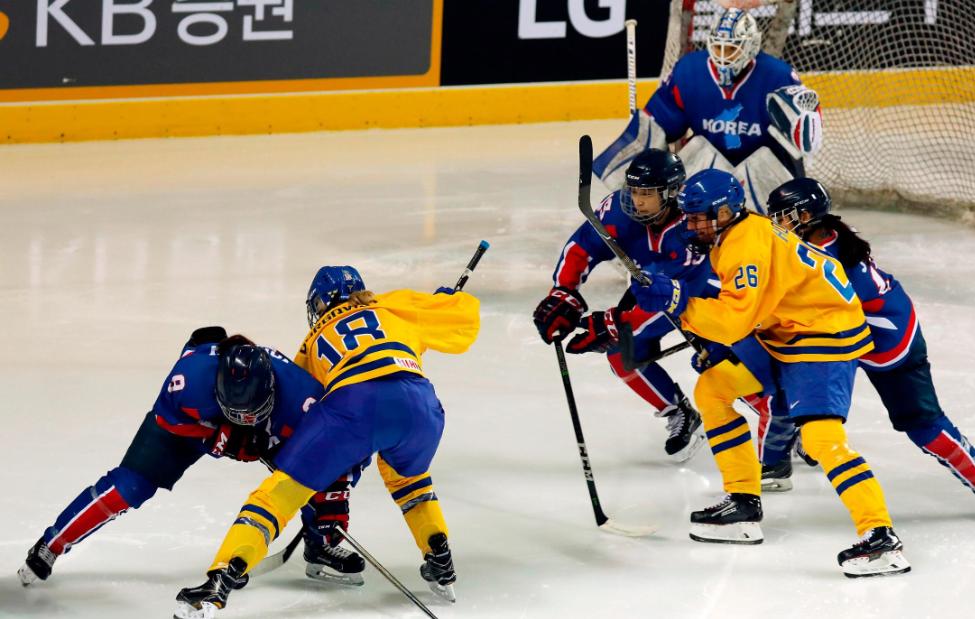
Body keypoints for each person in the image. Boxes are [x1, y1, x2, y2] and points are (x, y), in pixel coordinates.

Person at [631, 169, 910, 577]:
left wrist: (677, 302)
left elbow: (731, 324)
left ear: (725, 212)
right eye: (687, 217)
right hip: (787, 331)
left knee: (822, 438)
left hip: (823, 334)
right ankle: (743, 505)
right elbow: (751, 313)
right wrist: (682, 304)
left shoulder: (745, 245)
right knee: (713, 389)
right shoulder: (735, 234)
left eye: (698, 217)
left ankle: (882, 538)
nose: (690, 225)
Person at [174, 266, 480, 618]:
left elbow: (304, 409)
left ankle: (220, 581)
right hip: (421, 407)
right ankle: (439, 554)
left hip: (354, 406)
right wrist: (442, 302)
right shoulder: (395, 305)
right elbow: (464, 322)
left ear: (318, 304)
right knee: (409, 479)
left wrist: (317, 484)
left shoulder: (313, 338)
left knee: (279, 495)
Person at [759, 178, 975, 520]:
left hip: (888, 341)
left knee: (923, 425)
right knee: (781, 381)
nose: (777, 224)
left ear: (807, 216)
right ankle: (780, 458)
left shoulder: (822, 260)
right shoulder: (826, 234)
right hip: (839, 332)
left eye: (784, 217)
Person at [18, 327, 367, 588]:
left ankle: (322, 542)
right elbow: (166, 420)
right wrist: (218, 438)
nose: (246, 417)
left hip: (262, 428)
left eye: (253, 411)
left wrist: (335, 488)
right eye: (239, 412)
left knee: (314, 471)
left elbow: (338, 449)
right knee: (129, 487)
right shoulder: (189, 381)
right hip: (192, 425)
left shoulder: (301, 396)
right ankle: (52, 543)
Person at [533, 149, 708, 461]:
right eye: (634, 191)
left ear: (670, 193)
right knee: (621, 353)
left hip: (698, 296)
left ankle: (788, 422)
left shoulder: (692, 225)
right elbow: (582, 247)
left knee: (726, 359)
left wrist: (615, 324)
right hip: (649, 290)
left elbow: (674, 298)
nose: (637, 201)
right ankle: (678, 411)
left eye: (647, 194)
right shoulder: (620, 210)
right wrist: (563, 291)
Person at [594, 7, 822, 214]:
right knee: (696, 148)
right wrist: (638, 161)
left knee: (766, 164)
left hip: (760, 175)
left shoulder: (779, 77)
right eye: (718, 47)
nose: (723, 56)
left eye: (731, 49)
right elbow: (658, 125)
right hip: (708, 172)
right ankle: (687, 228)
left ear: (751, 46)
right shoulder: (689, 71)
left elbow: (801, 145)